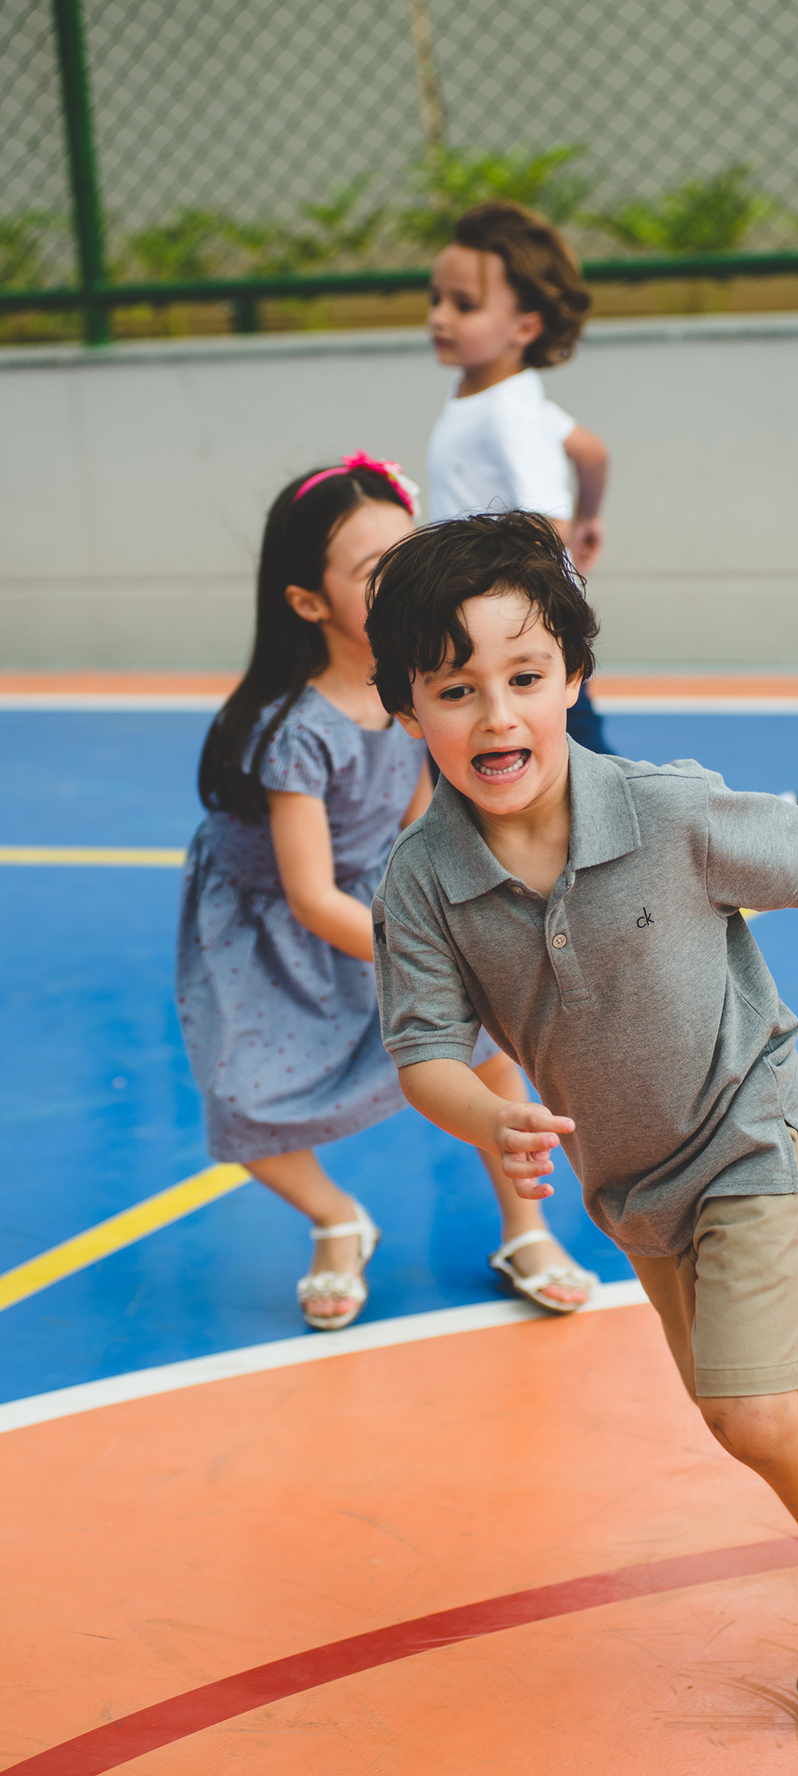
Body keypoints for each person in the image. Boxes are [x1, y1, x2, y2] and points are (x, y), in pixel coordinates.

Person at [365, 512, 798, 1707]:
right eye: (455, 688)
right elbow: (425, 1050)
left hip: (752, 1129)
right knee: (796, 1383)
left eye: (524, 677)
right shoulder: (423, 882)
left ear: (573, 677)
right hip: (636, 1182)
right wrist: (485, 1118)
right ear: (404, 706)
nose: (496, 716)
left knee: (748, 1410)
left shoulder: (666, 810)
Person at [176, 458, 597, 1331]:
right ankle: (337, 1219)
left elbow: (419, 820)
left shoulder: (417, 684)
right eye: (375, 570)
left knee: (487, 1047)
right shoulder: (295, 730)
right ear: (308, 602)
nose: (404, 576)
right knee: (245, 1103)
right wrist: (428, 950)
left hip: (369, 896)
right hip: (276, 929)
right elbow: (309, 896)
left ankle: (526, 1228)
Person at [425, 199, 612, 756]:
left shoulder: (508, 414)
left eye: (464, 305)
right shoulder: (501, 393)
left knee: (587, 770)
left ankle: (731, 812)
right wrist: (592, 515)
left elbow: (546, 524)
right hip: (500, 624)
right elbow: (592, 452)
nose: (439, 317)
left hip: (517, 632)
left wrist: (533, 622)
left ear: (526, 326)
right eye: (436, 299)